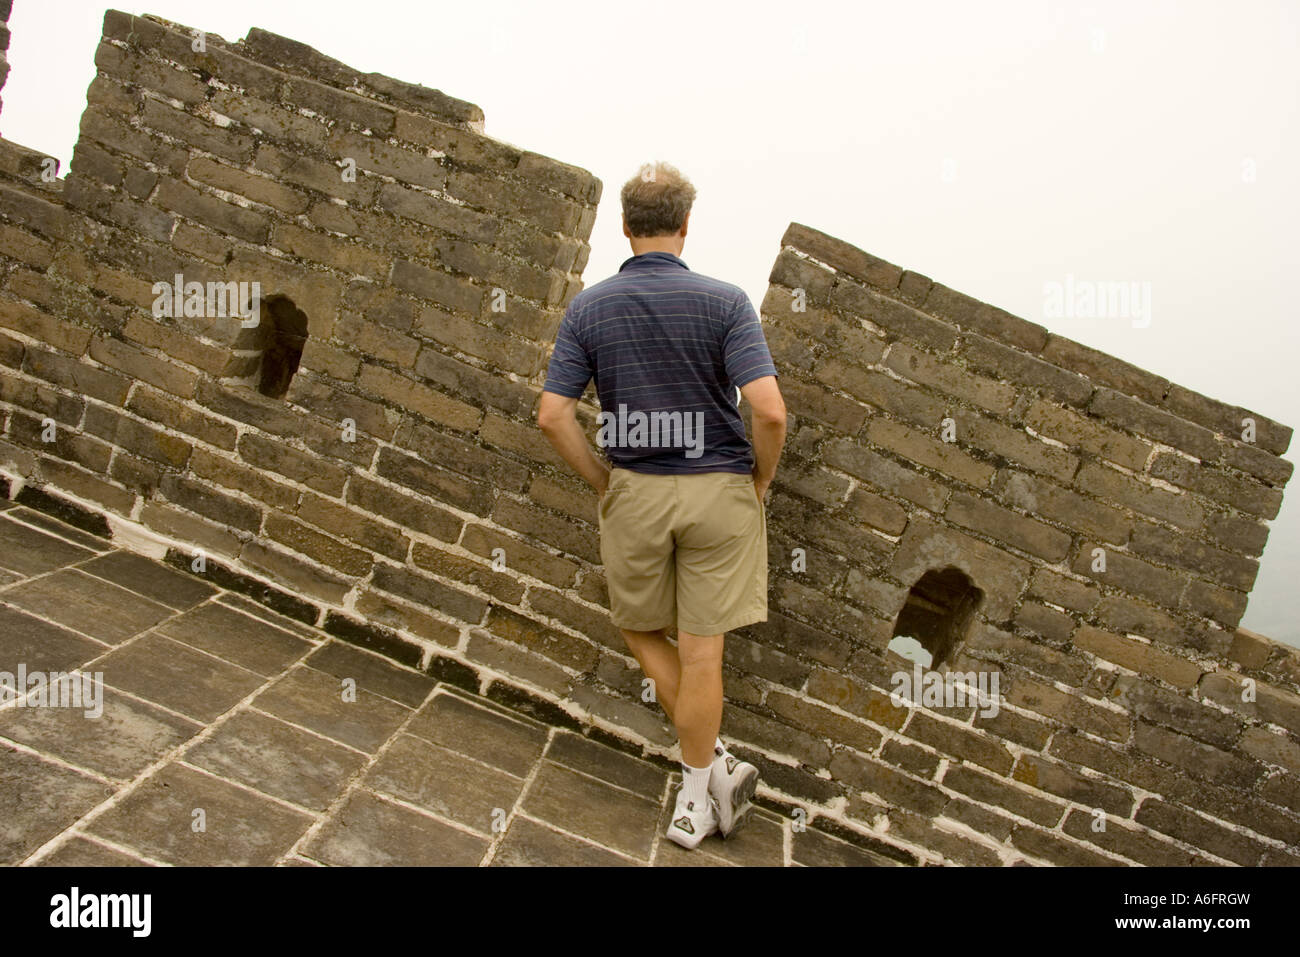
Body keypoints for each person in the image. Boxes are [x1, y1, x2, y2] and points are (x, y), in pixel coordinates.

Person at [537, 161, 787, 850]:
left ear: (624, 227)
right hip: (721, 492)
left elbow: (553, 415)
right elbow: (767, 411)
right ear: (685, 225)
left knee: (642, 629)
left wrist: (603, 482)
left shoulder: (589, 307)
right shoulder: (728, 302)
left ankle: (702, 780)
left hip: (637, 491)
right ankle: (700, 789)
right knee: (705, 654)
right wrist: (758, 481)